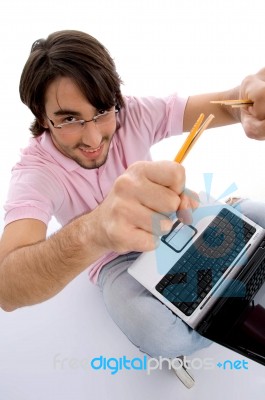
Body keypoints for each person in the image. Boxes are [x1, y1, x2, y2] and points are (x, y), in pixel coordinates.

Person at [1, 30, 265, 388]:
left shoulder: (131, 112)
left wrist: (247, 96)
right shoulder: (35, 171)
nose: (93, 139)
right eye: (68, 119)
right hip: (117, 263)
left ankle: (230, 225)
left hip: (178, 221)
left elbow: (224, 104)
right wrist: (95, 230)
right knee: (161, 336)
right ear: (41, 116)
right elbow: (6, 286)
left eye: (102, 112)